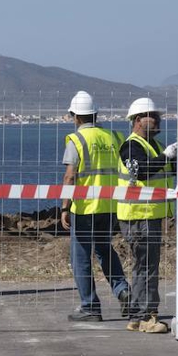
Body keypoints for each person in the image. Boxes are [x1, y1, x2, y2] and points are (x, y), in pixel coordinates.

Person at [117, 97, 178, 334]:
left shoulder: (154, 146)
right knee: (146, 267)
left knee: (143, 266)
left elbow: (166, 169)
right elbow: (141, 171)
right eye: (152, 116)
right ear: (138, 120)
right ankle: (146, 316)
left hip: (148, 214)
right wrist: (166, 156)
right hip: (138, 215)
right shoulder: (131, 146)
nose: (157, 120)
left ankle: (137, 317)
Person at [60, 91, 131, 323]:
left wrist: (64, 207)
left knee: (80, 257)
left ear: (75, 116)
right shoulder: (114, 137)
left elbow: (70, 177)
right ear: (95, 114)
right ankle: (123, 290)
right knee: (103, 249)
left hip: (85, 208)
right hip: (111, 205)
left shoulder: (76, 140)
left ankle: (90, 306)